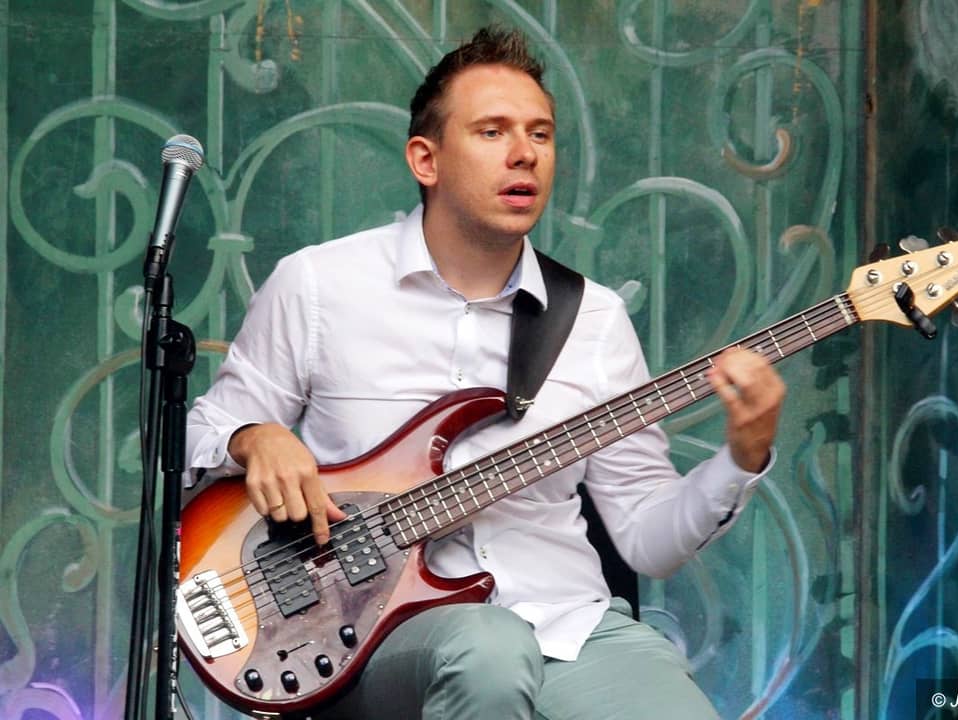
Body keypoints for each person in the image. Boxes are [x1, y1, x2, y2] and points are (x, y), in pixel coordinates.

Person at [185, 25, 786, 720]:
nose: (524, 153)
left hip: (566, 625)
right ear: (426, 159)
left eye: (541, 134)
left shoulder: (593, 319)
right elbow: (201, 435)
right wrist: (254, 439)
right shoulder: (318, 285)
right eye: (493, 132)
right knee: (490, 652)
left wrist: (741, 458)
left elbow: (647, 538)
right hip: (372, 634)